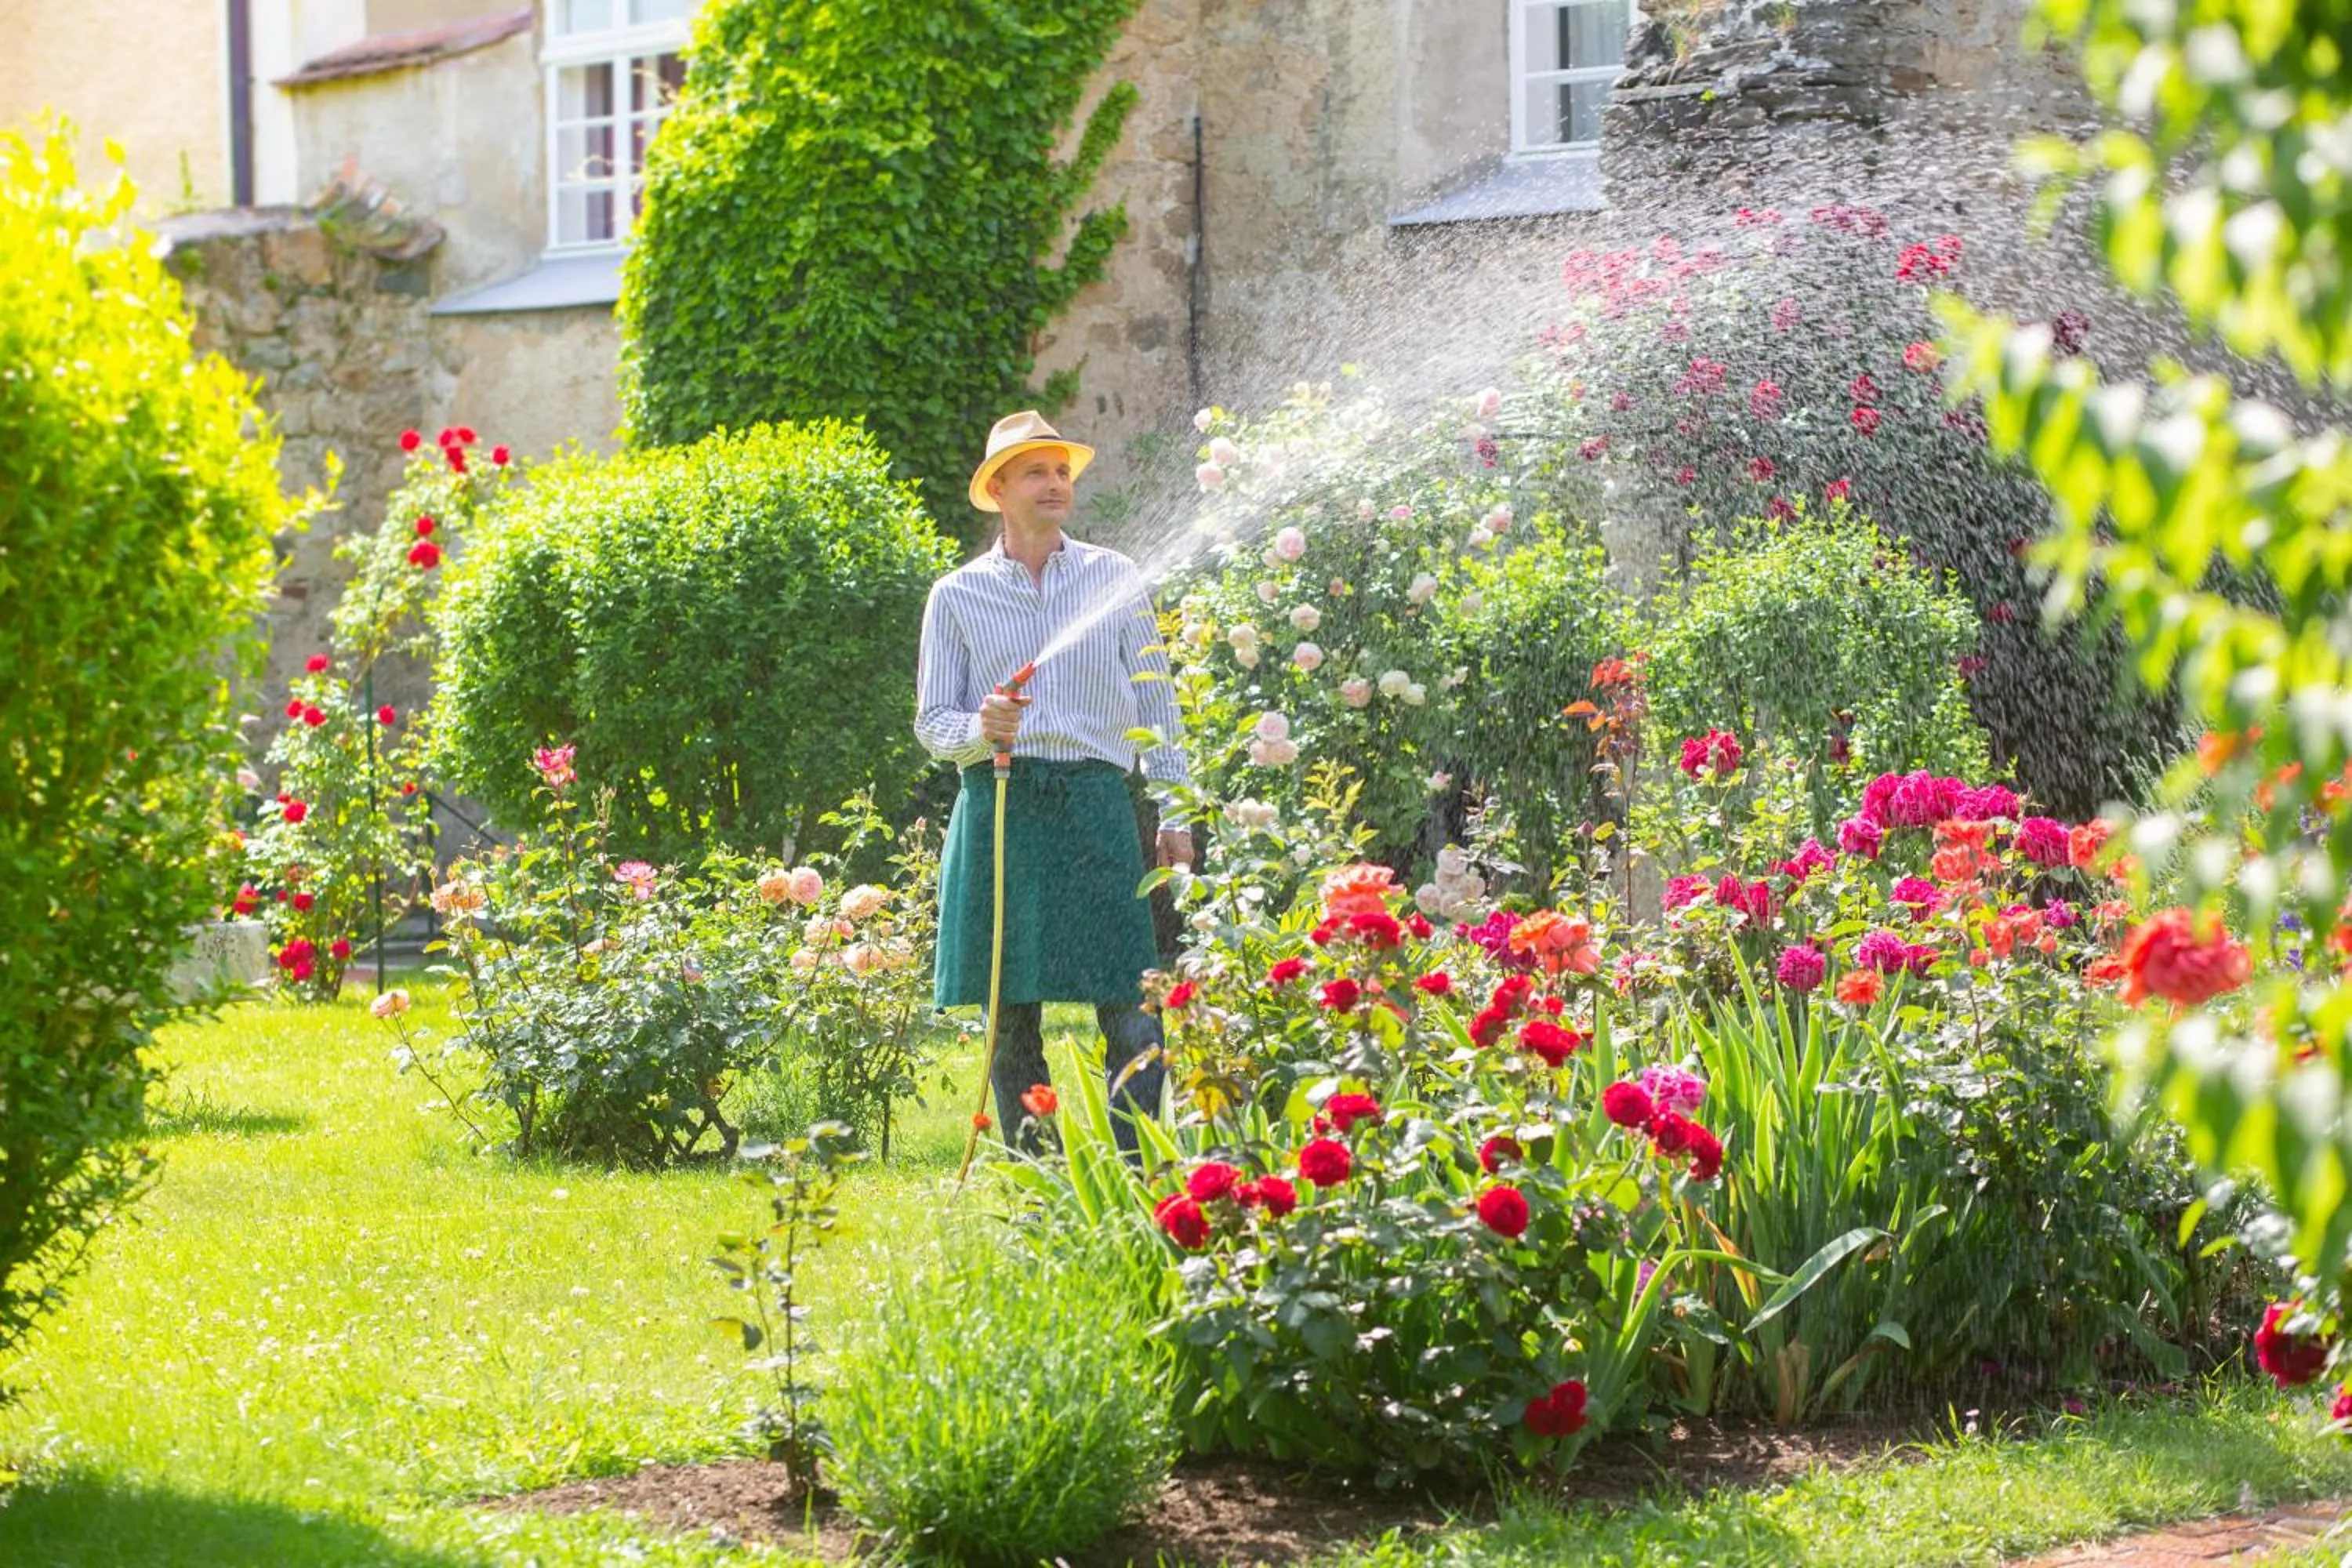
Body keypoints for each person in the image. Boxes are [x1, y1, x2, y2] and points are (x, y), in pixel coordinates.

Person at [914, 410, 1192, 1155]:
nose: (1055, 483)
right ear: (998, 489)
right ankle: (1040, 1177)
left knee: (1132, 1003)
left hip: (1096, 804)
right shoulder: (956, 595)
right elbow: (932, 723)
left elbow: (1158, 700)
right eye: (1036, 471)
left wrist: (1175, 808)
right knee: (1008, 1019)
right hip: (1000, 809)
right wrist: (982, 728)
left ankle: (1137, 1170)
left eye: (1062, 471)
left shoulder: (1114, 577)